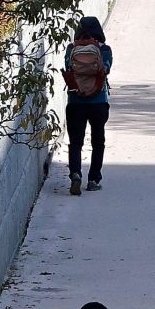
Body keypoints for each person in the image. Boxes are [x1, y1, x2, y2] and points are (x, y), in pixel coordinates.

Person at [61, 15, 111, 196]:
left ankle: (75, 174)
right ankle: (94, 179)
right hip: (98, 102)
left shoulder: (71, 49)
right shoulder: (104, 49)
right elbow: (106, 69)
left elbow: (68, 67)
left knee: (76, 142)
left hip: (75, 101)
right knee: (98, 142)